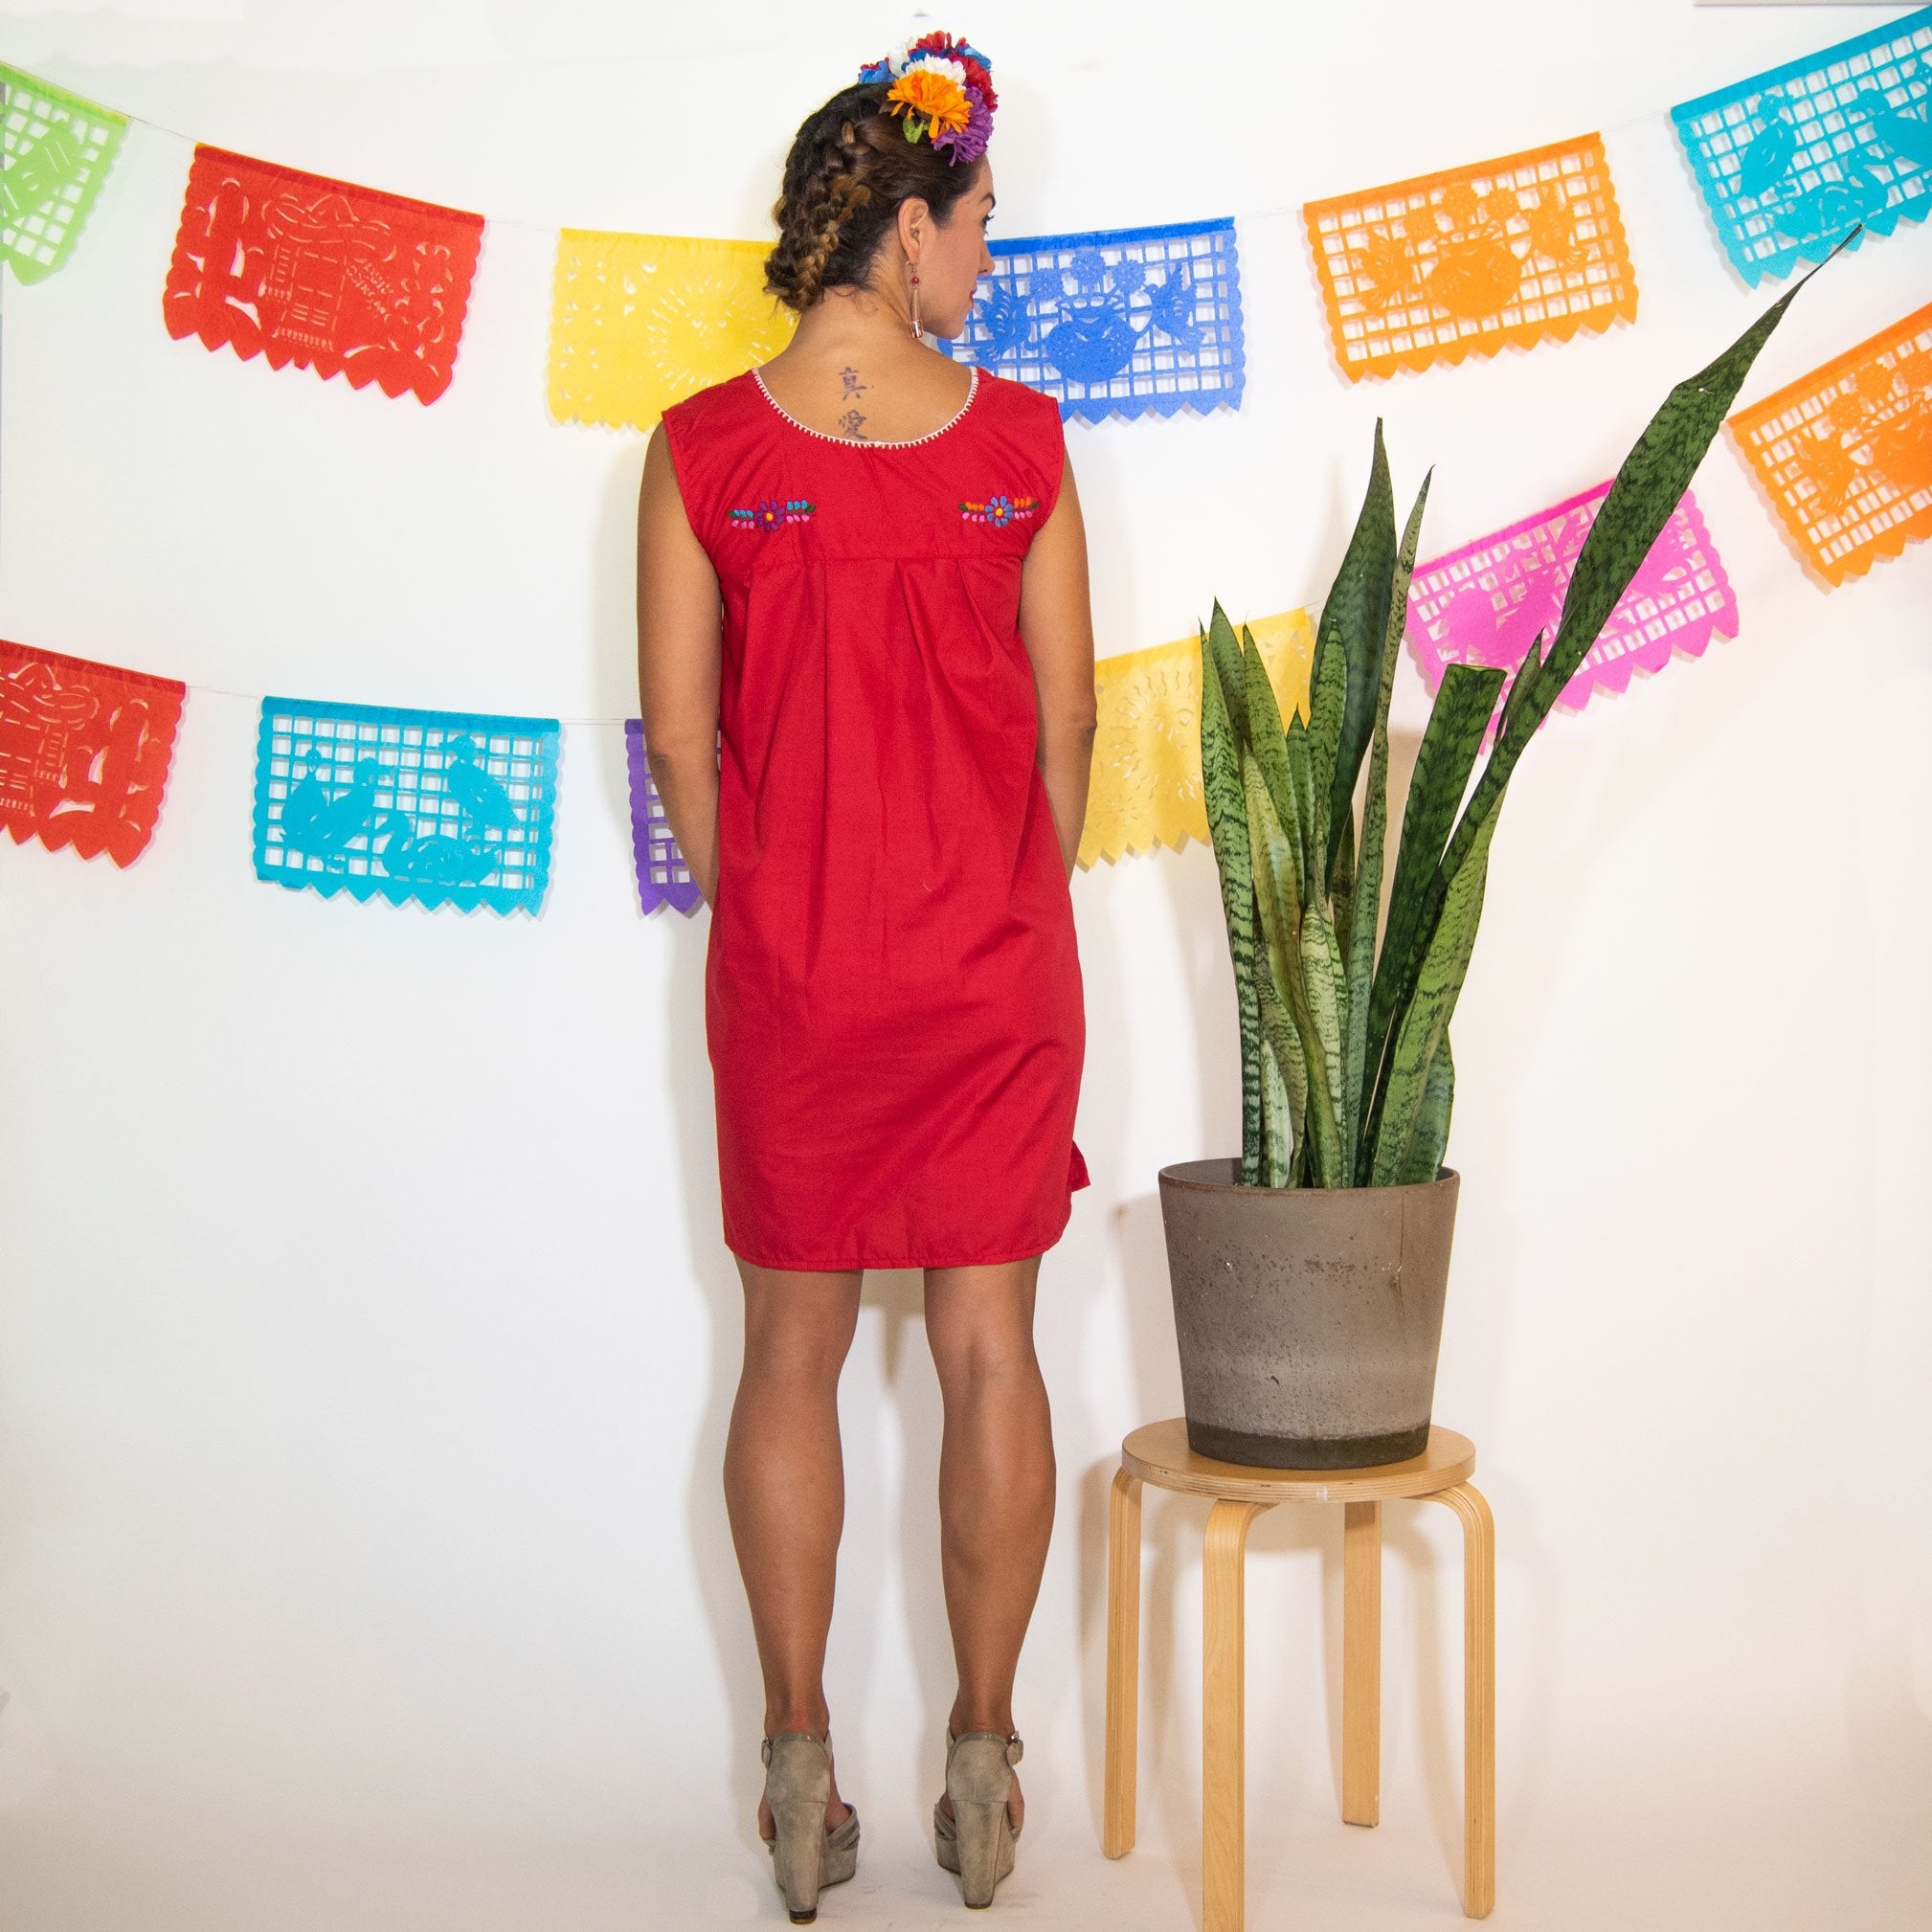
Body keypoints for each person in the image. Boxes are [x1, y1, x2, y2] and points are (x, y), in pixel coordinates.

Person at [633, 30, 1097, 1922]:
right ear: (905, 227)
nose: (989, 258)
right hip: (993, 971)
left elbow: (676, 741)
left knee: (789, 1354)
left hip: (796, 977)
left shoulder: (701, 450)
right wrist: (999, 901)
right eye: (981, 223)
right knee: (991, 1346)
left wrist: (789, 916)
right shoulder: (1019, 446)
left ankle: (799, 1762)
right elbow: (1066, 710)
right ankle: (984, 1764)